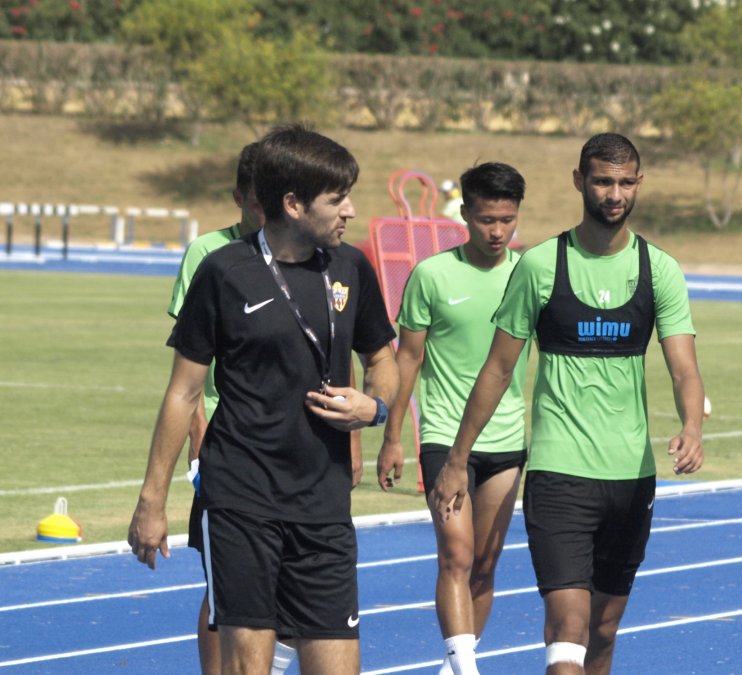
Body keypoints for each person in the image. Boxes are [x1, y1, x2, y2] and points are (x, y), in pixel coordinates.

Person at [128, 123, 398, 675]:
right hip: (241, 497)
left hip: (324, 504)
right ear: (294, 204)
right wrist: (152, 500)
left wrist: (376, 409)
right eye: (337, 198)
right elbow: (183, 391)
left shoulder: (352, 268)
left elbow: (383, 359)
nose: (350, 210)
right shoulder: (225, 271)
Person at [432, 132, 705, 675]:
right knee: (568, 629)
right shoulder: (538, 266)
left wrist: (692, 425)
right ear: (580, 181)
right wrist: (458, 458)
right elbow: (498, 368)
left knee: (603, 632)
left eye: (626, 183)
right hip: (560, 475)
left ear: (639, 185)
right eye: (603, 181)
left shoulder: (660, 270)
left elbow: (684, 369)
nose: (614, 193)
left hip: (631, 476)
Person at [376, 162, 531, 675]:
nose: (497, 231)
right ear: (464, 213)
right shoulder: (431, 275)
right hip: (444, 435)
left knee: (484, 567)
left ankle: (453, 665)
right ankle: (466, 669)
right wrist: (393, 436)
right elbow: (408, 359)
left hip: (508, 440)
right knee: (457, 556)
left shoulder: (530, 275)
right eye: (487, 219)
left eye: (507, 220)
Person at [166, 141, 299, 675]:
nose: (263, 215)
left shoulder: (299, 249)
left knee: (291, 583)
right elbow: (190, 371)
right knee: (224, 585)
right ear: (241, 196)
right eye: (255, 203)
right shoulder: (208, 254)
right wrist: (198, 451)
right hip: (226, 444)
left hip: (291, 446)